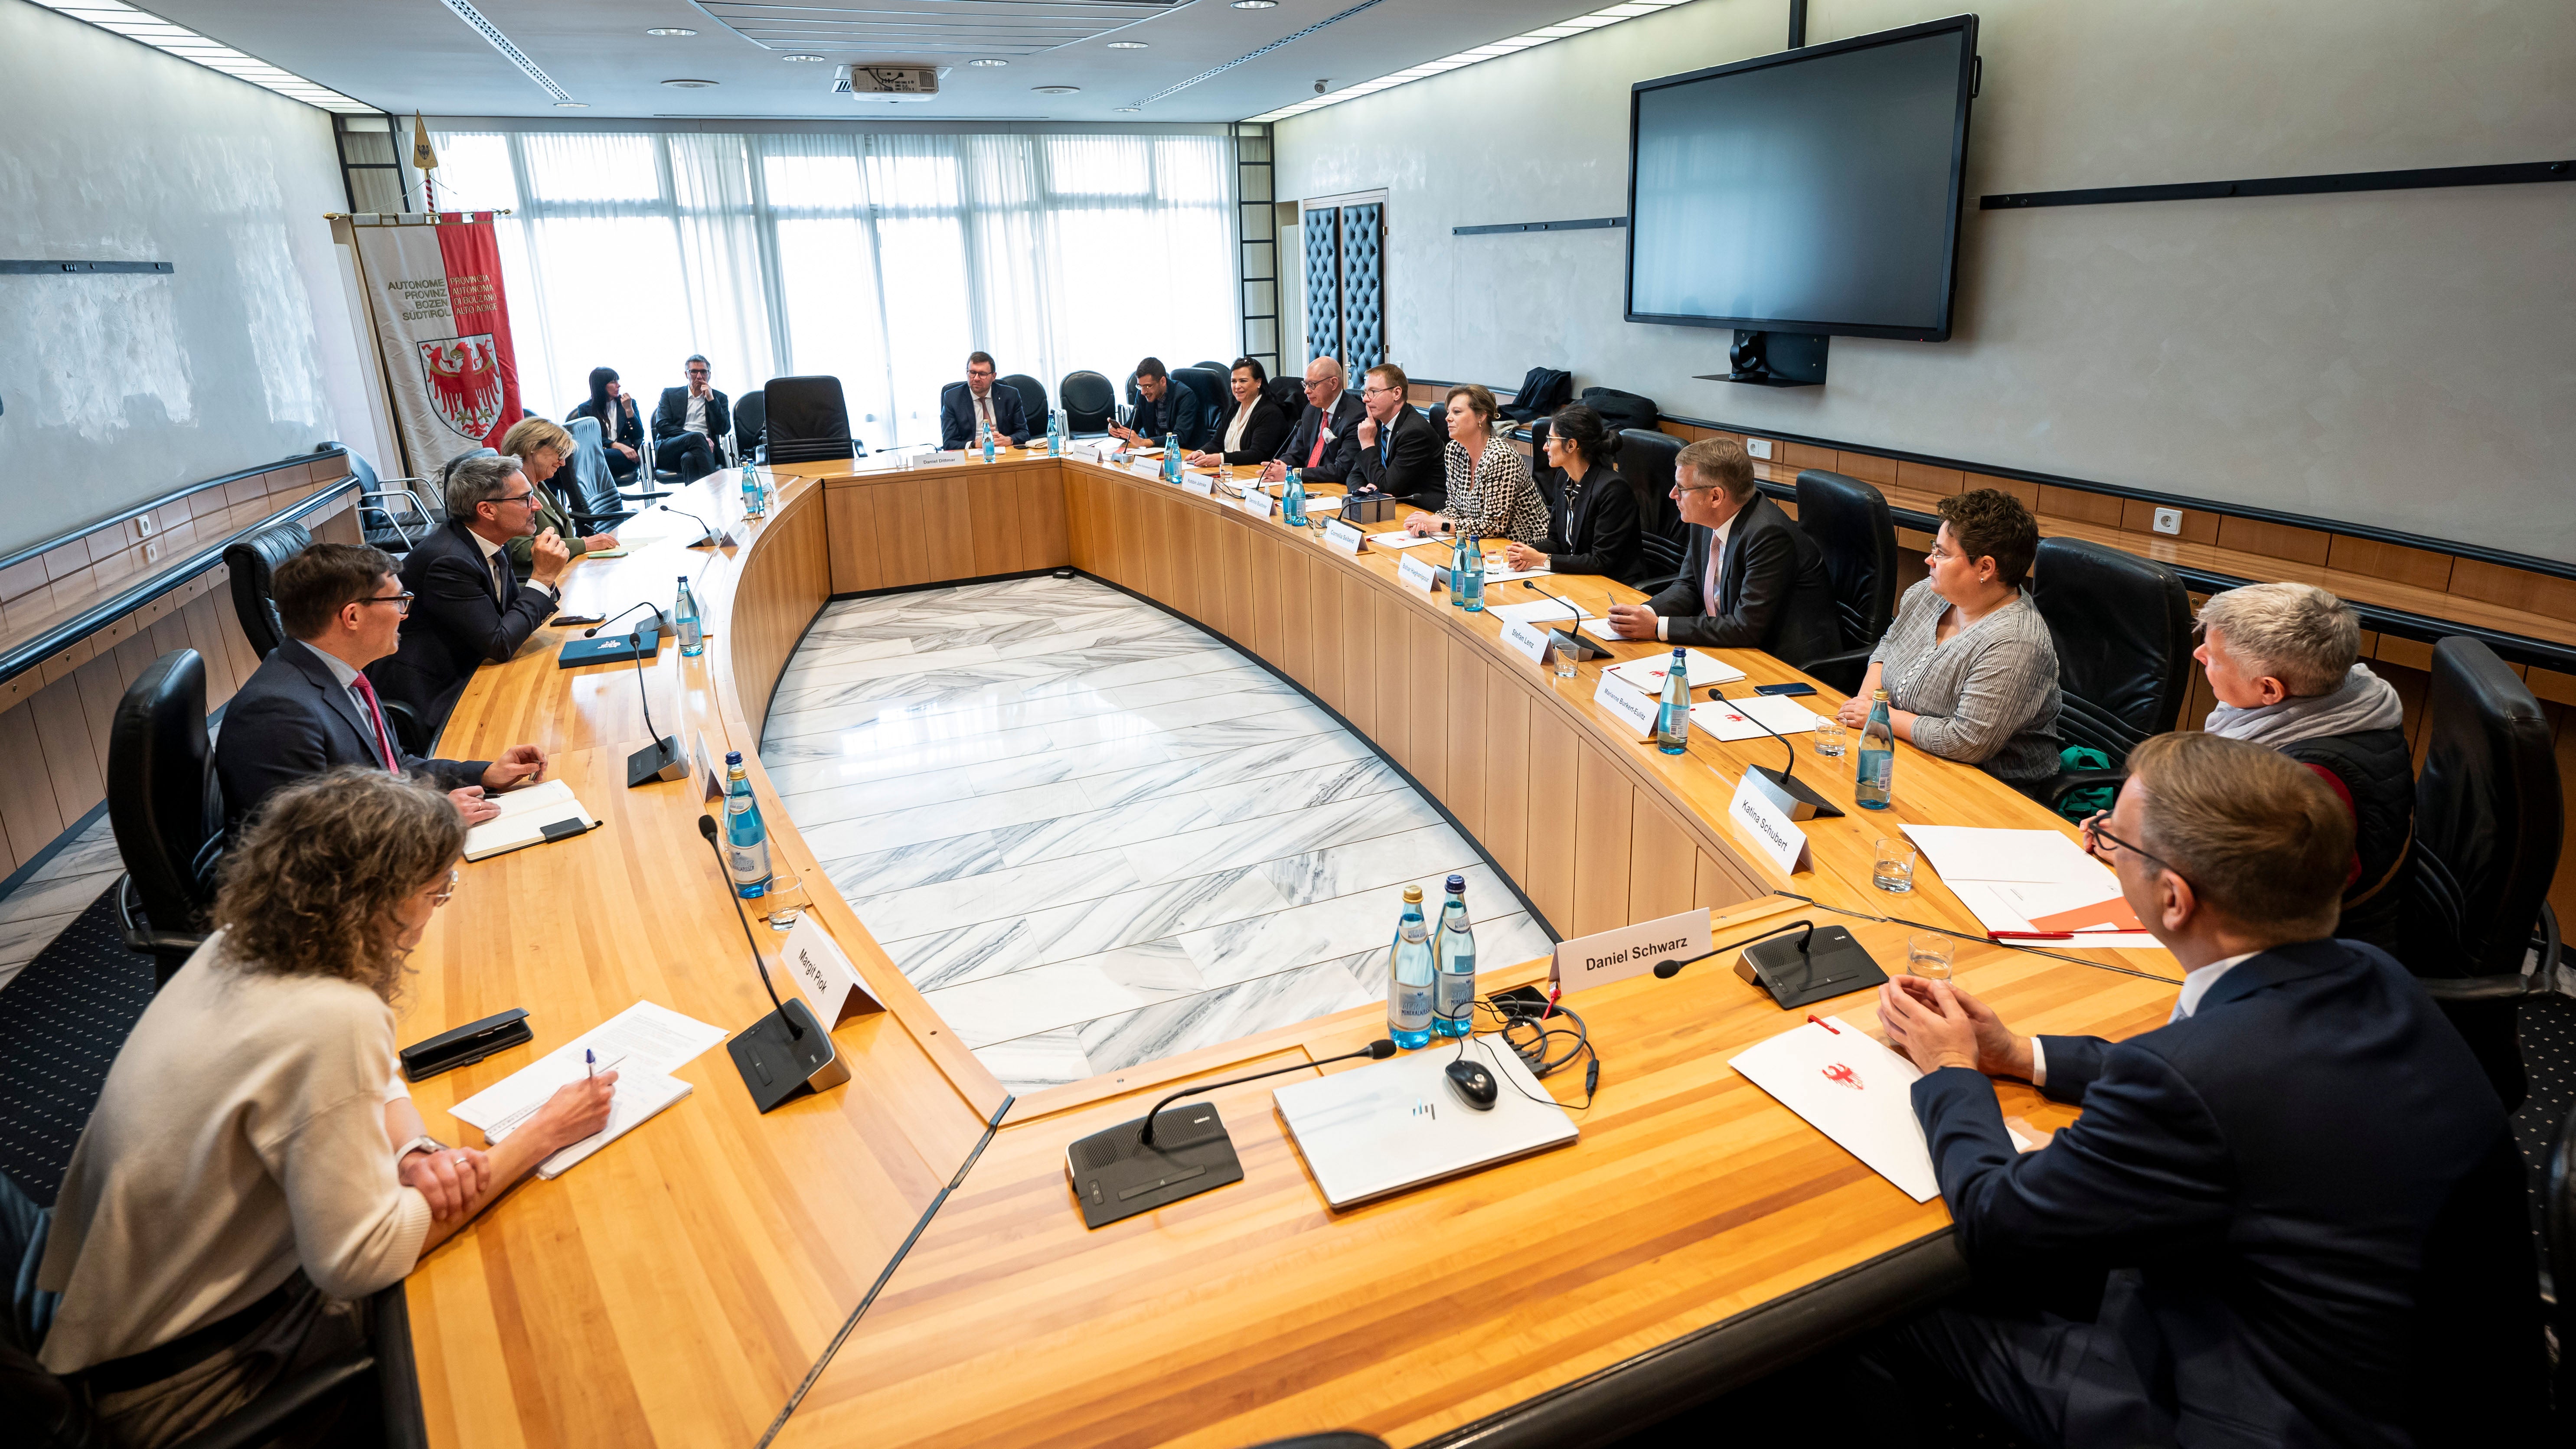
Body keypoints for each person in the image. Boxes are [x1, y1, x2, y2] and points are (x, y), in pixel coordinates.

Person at [1870, 731, 2534, 1447]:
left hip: (2265, 1416)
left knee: (1887, 1304)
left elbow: (1998, 1219)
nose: (2102, 845)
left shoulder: (2188, 1079)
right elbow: (2216, 1075)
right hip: (2440, 1390)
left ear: (2173, 897)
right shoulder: (2374, 972)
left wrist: (1951, 1068)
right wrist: (2020, 1054)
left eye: (2113, 839)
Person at [36, 769, 617, 1448]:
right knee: (507, 1342)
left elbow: (366, 1070)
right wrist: (539, 1134)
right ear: (378, 902)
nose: (435, 910)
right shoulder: (331, 1016)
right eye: (436, 892)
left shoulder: (241, 944)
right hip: (191, 1384)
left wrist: (414, 1150)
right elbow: (362, 1258)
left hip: (120, 1322)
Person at [215, 542, 546, 836]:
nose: (404, 615)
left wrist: (484, 774)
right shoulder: (277, 713)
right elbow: (308, 839)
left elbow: (393, 768)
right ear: (352, 617)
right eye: (399, 601)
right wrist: (433, 816)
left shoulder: (343, 672)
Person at [2194, 581, 2411, 948]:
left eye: (2214, 657)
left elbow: (2267, 895)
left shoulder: (2304, 779)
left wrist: (2146, 855)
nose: (2199, 654)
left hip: (2314, 950)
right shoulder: (2352, 700)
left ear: (2269, 690)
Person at [1829, 488, 2060, 785]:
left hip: (1986, 787)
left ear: (1985, 567)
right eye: (1933, 548)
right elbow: (1889, 646)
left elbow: (1966, 742)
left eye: (1942, 553)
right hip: (1909, 756)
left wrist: (1880, 718)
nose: (1930, 560)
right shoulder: (1928, 595)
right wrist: (1866, 705)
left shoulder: (2015, 643)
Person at [366, 454, 567, 729]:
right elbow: (500, 643)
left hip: (475, 664)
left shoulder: (491, 540)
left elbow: (509, 615)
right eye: (525, 498)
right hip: (438, 690)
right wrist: (542, 577)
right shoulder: (449, 561)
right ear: (487, 510)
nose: (537, 505)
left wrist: (543, 582)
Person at [1605, 438, 1839, 662]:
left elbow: (1745, 627)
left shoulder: (1768, 535)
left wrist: (1658, 627)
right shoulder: (1705, 519)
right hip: (1731, 644)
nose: (1673, 494)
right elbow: (1689, 586)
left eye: (1682, 488)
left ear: (1715, 497)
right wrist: (1644, 614)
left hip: (1781, 662)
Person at [1502, 404, 1650, 586]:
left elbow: (1601, 561)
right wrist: (1524, 553)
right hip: (1579, 578)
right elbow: (1557, 541)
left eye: (1550, 440)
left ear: (1571, 445)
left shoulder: (1613, 489)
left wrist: (1542, 560)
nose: (1545, 447)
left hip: (1614, 585)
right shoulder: (1563, 478)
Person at [1399, 383, 1547, 544]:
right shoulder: (1454, 451)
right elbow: (1454, 508)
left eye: (1457, 412)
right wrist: (1430, 521)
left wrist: (1441, 525)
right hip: (1481, 542)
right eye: (1448, 412)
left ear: (1481, 416)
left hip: (1525, 545)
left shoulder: (1501, 457)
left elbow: (1493, 526)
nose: (1448, 418)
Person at [499, 416, 616, 574]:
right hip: (539, 581)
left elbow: (560, 535)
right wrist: (583, 545)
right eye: (559, 453)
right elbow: (521, 550)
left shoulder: (539, 484)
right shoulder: (511, 490)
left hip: (564, 572)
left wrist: (579, 543)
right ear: (533, 447)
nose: (563, 463)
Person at [1343, 362, 1444, 509]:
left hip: (1420, 510)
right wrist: (1360, 491)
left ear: (1396, 394)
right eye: (1365, 393)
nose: (1365, 399)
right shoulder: (1378, 423)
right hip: (1394, 507)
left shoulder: (1415, 432)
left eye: (1373, 392)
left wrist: (1367, 444)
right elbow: (1355, 474)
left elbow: (1387, 489)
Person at [1259, 356, 1363, 486]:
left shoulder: (1356, 416)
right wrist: (1280, 466)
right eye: (1305, 384)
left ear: (1334, 383)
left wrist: (1293, 473)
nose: (1306, 391)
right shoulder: (1312, 409)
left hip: (1333, 488)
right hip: (1308, 486)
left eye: (1312, 385)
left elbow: (1341, 470)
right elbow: (1296, 452)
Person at [1186, 358, 1293, 469]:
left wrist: (1222, 459)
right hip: (1233, 470)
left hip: (1256, 472)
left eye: (1243, 381)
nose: (1237, 386)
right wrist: (1202, 452)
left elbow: (1258, 455)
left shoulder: (1270, 413)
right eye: (1234, 381)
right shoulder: (1234, 408)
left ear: (1259, 382)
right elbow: (1217, 443)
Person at [652, 355, 730, 480]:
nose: (699, 376)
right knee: (697, 437)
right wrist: (697, 437)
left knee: (689, 459)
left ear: (709, 375)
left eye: (703, 372)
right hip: (672, 447)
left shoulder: (719, 398)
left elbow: (724, 429)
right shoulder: (670, 395)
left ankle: (700, 494)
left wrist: (711, 400)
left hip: (704, 451)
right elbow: (663, 426)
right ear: (686, 374)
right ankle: (715, 489)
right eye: (694, 372)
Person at [939, 351, 1031, 450]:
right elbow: (949, 443)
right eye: (973, 373)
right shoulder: (952, 398)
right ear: (967, 373)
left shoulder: (1010, 395)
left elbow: (1024, 433)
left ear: (994, 376)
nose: (976, 379)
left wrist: (1010, 440)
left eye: (982, 374)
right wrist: (974, 444)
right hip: (971, 454)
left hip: (1005, 451)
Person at [566, 366, 644, 482]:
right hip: (600, 456)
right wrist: (616, 445)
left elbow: (639, 436)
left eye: (617, 381)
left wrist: (629, 411)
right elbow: (590, 439)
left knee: (590, 461)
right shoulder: (586, 409)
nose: (618, 385)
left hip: (626, 458)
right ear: (601, 386)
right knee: (586, 459)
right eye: (613, 382)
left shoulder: (629, 404)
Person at [1107, 357, 1200, 450]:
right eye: (1140, 386)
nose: (1143, 392)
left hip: (1183, 452)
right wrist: (1117, 430)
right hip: (1155, 451)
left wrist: (1145, 442)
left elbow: (1180, 437)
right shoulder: (1142, 395)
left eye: (1148, 386)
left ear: (1163, 381)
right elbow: (1133, 426)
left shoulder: (1185, 396)